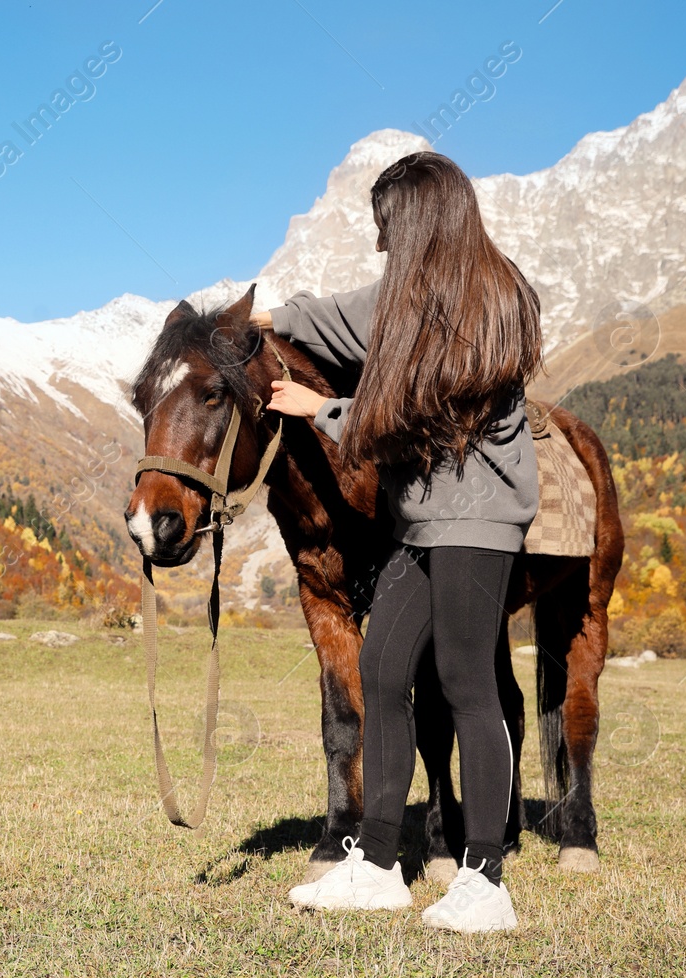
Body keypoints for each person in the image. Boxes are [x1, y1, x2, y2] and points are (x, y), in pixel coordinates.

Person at [252, 151, 542, 933]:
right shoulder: (398, 296)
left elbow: (412, 410)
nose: (380, 244)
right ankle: (377, 864)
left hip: (478, 520)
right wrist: (257, 321)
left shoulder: (495, 298)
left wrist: (324, 408)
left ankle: (486, 879)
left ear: (418, 221)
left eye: (387, 228)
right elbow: (333, 314)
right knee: (381, 667)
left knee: (465, 683)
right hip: (422, 520)